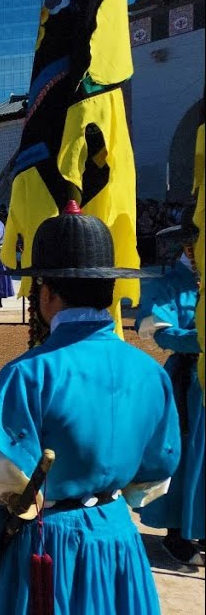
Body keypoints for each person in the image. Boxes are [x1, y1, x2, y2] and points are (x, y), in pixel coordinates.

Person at [0, 201, 180, 613]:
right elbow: (157, 467)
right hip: (118, 538)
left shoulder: (28, 374)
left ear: (46, 294)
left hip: (47, 550)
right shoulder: (151, 372)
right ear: (109, 289)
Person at [134, 213, 204, 565]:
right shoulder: (169, 282)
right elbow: (160, 331)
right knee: (184, 453)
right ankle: (177, 531)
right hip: (188, 381)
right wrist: (198, 340)